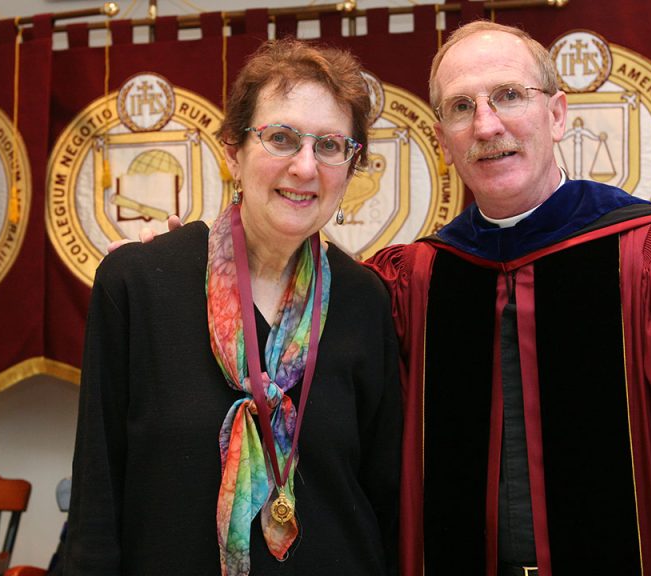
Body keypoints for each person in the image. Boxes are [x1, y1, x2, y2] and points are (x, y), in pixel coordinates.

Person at [364, 19, 651, 576]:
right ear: (442, 141)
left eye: (509, 96)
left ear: (557, 116)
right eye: (461, 107)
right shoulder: (416, 280)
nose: (486, 124)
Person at [64, 39, 401, 576]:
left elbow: (385, 495)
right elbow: (97, 499)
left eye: (332, 146)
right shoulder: (138, 284)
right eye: (282, 138)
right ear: (231, 150)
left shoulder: (365, 299)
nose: (305, 166)